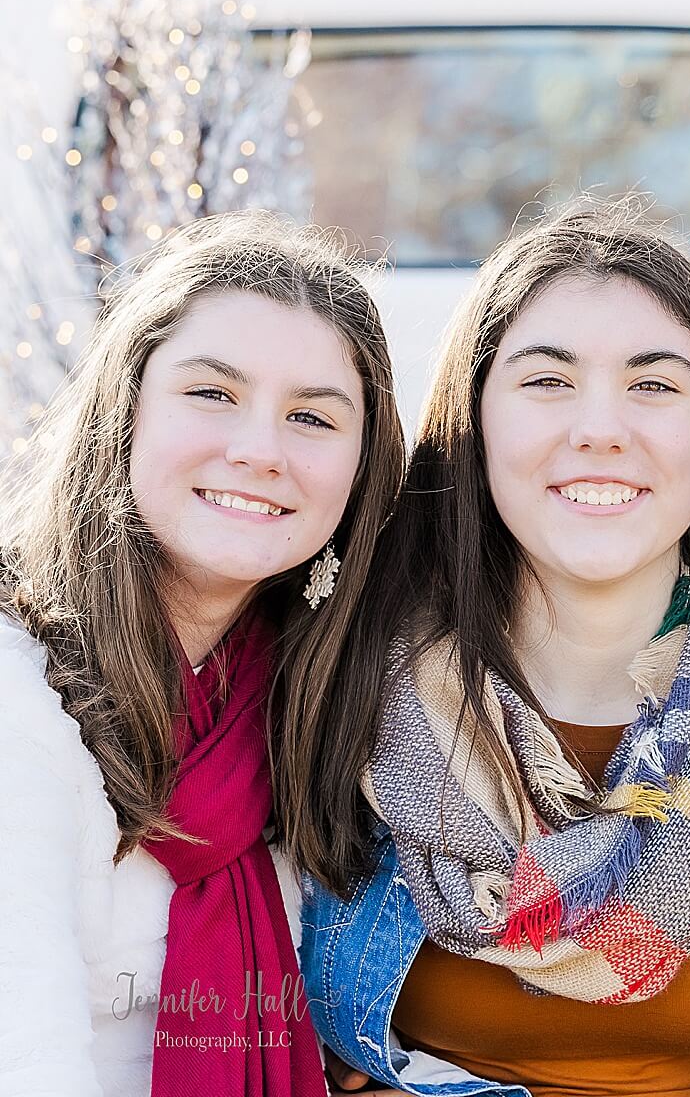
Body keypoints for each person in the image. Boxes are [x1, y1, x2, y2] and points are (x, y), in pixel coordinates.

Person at [291, 200, 690, 1097]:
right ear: (474, 427)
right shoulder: (337, 675)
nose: (600, 429)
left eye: (654, 385)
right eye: (546, 381)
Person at [0, 211, 405, 1097]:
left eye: (311, 417)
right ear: (124, 411)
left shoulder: (323, 709)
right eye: (212, 394)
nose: (259, 450)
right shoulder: (15, 699)